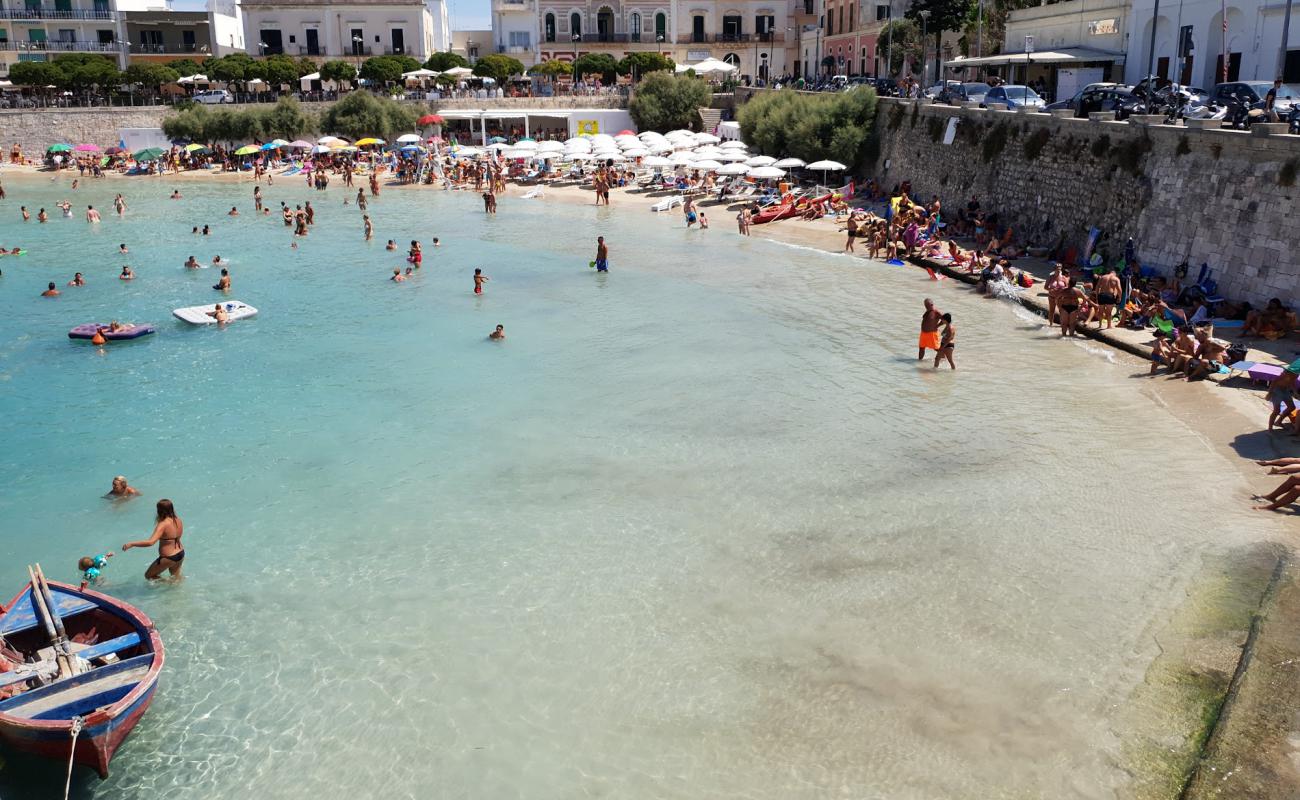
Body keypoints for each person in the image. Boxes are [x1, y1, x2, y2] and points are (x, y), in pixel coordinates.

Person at [121, 498, 185, 581]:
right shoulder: (178, 520)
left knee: (149, 576)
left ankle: (168, 583)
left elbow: (150, 542)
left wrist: (132, 544)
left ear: (160, 510)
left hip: (169, 557)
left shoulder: (163, 524)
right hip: (180, 553)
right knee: (176, 579)